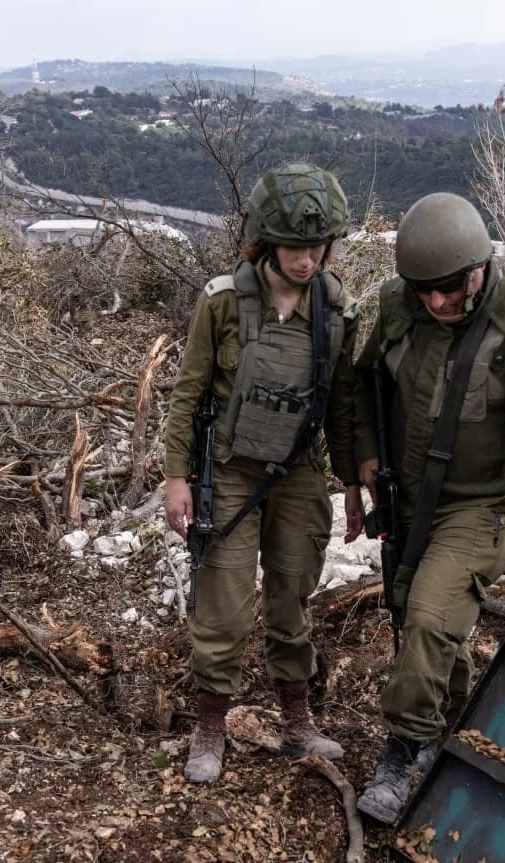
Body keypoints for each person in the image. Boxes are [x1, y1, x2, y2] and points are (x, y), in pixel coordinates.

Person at [346, 192, 505, 823]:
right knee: (415, 617)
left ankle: (403, 752)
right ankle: (461, 725)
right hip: (404, 498)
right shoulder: (397, 306)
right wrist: (361, 463)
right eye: (425, 289)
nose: (437, 302)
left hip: (475, 506)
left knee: (432, 619)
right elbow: (360, 386)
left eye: (450, 288)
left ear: (480, 268)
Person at [160, 163, 363, 783]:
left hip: (300, 472)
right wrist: (176, 477)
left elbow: (343, 406)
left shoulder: (335, 308)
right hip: (229, 470)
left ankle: (297, 724)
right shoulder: (224, 302)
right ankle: (211, 726)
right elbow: (189, 392)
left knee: (291, 598)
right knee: (222, 608)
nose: (307, 260)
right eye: (296, 247)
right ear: (267, 240)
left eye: (317, 246)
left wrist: (353, 484)